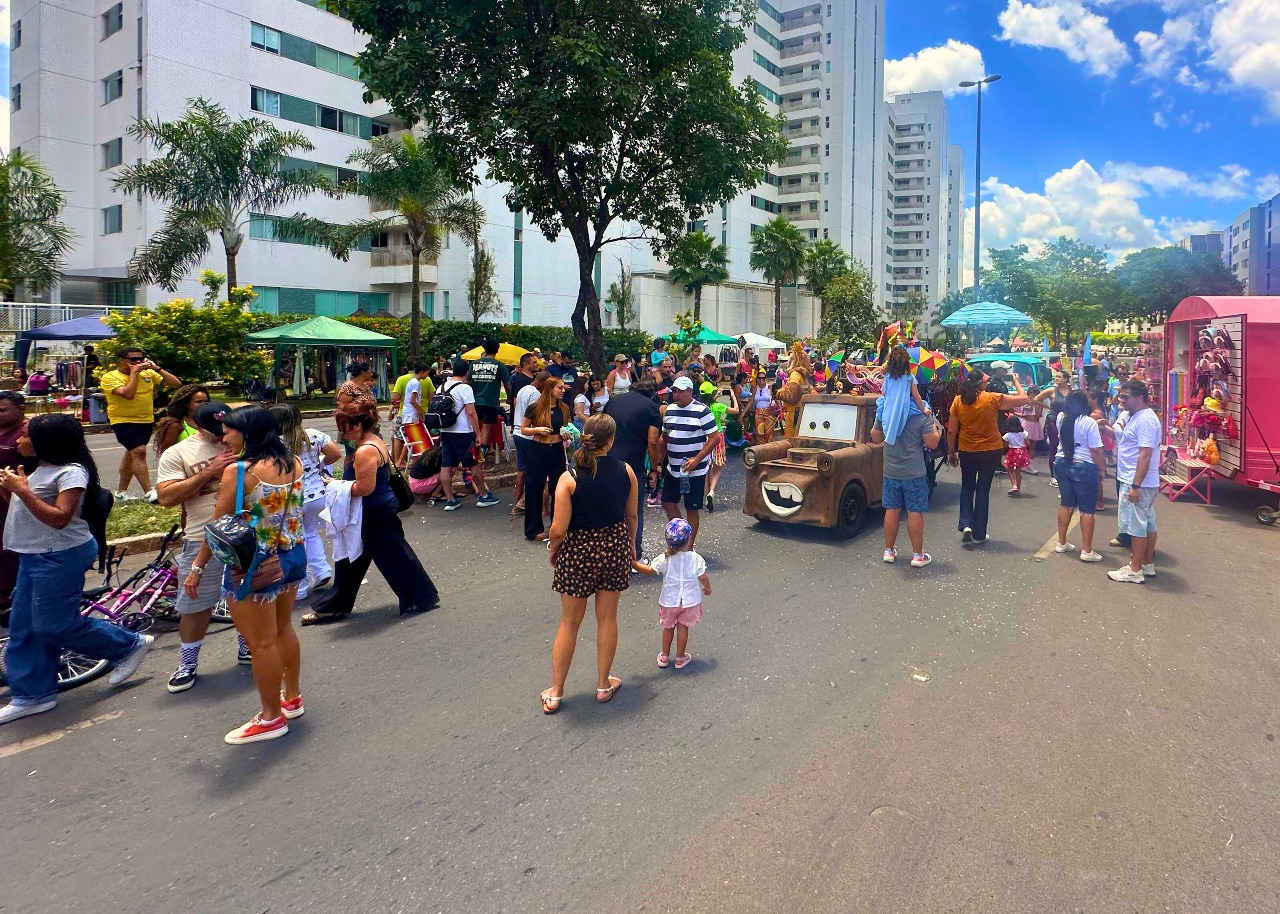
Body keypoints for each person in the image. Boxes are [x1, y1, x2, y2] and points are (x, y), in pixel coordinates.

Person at [0, 414, 154, 725]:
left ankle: (127, 644)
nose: (19, 440)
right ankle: (32, 695)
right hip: (33, 554)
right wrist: (12, 489)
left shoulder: (71, 472)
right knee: (24, 627)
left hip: (60, 555)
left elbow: (60, 518)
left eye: (26, 435)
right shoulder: (38, 468)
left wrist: (24, 491)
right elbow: (22, 508)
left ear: (46, 442)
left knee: (53, 625)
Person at [188, 406, 306, 745]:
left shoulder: (240, 472)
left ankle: (270, 718)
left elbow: (219, 527)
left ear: (249, 433)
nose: (224, 436)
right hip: (294, 555)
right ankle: (292, 697)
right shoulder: (292, 462)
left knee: (261, 643)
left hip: (256, 565)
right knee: (283, 629)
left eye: (230, 430)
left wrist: (197, 568)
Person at [303, 401, 441, 624]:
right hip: (375, 509)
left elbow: (364, 488)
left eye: (344, 426)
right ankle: (418, 597)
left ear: (356, 426)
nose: (341, 431)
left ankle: (419, 597)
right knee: (359, 559)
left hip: (372, 512)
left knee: (384, 558)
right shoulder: (372, 442)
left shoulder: (366, 451)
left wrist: (334, 485)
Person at [540, 414, 639, 714]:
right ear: (610, 440)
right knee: (607, 618)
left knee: (569, 622)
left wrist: (553, 548)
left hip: (578, 551)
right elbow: (631, 516)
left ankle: (556, 692)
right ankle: (602, 683)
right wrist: (631, 545)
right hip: (614, 546)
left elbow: (558, 528)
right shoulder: (627, 471)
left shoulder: (569, 478)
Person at [156, 401, 248, 693]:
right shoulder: (179, 453)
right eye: (216, 431)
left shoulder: (243, 440)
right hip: (201, 536)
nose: (222, 436)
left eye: (226, 429)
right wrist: (209, 472)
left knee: (247, 596)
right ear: (197, 426)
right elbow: (167, 497)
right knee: (195, 605)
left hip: (246, 533)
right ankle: (187, 662)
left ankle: (247, 646)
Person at [947, 372, 1030, 544]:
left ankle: (965, 523)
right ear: (981, 384)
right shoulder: (992, 398)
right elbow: (1024, 398)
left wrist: (950, 452)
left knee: (967, 486)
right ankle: (979, 534)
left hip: (967, 450)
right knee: (983, 490)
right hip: (990, 450)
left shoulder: (958, 400)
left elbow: (951, 430)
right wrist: (1016, 380)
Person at [270, 404, 342, 601]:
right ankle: (321, 570)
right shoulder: (312, 435)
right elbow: (335, 454)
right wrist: (318, 465)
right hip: (318, 494)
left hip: (292, 500)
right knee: (311, 533)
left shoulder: (273, 443)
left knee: (293, 542)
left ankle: (299, 586)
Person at [98, 346, 179, 500]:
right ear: (121, 361)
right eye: (133, 359)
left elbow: (175, 383)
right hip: (123, 420)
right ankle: (149, 492)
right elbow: (128, 394)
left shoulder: (148, 373)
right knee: (139, 451)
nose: (139, 362)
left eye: (141, 358)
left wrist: (157, 368)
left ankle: (121, 492)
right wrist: (134, 374)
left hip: (145, 420)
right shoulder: (110, 377)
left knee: (132, 454)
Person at [872, 395, 942, 568]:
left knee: (892, 509)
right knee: (914, 511)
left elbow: (875, 437)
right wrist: (935, 427)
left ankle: (889, 551)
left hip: (891, 470)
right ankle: (918, 556)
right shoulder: (921, 411)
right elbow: (932, 443)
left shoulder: (885, 408)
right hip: (914, 471)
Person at [634, 517, 711, 669]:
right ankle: (680, 658)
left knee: (668, 627)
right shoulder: (695, 559)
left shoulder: (665, 558)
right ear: (688, 540)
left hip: (669, 601)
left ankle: (664, 656)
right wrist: (708, 588)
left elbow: (648, 571)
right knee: (683, 627)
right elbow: (703, 577)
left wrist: (633, 563)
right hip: (689, 601)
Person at [659, 376, 722, 547]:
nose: (676, 394)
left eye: (679, 391)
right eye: (674, 391)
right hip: (673, 467)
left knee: (691, 508)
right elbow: (664, 437)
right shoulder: (669, 410)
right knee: (667, 502)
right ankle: (680, 534)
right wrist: (658, 463)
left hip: (695, 469)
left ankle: (688, 545)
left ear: (689, 392)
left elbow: (715, 438)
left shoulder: (702, 411)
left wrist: (697, 459)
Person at [604, 379, 663, 560]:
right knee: (633, 511)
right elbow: (653, 441)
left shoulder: (613, 401)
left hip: (607, 460)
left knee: (610, 508)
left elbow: (601, 426)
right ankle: (633, 556)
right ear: (653, 393)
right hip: (633, 464)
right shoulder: (651, 407)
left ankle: (610, 552)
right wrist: (654, 468)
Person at [1109, 380, 1161, 584]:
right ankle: (1146, 564)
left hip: (1139, 480)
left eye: (1125, 397)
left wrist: (1136, 485)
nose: (1121, 400)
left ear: (1139, 397)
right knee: (1147, 522)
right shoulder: (1138, 417)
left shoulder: (1145, 420)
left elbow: (1145, 454)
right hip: (1136, 478)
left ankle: (1135, 569)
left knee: (1137, 526)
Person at [1050, 390, 1106, 562]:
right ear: (1085, 404)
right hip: (1083, 465)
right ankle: (1087, 550)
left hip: (1061, 463)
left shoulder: (1061, 418)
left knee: (1066, 503)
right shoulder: (1089, 422)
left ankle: (1061, 542)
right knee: (1087, 509)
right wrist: (1102, 469)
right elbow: (1096, 450)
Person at [437, 361, 499, 511]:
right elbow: (471, 412)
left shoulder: (442, 386)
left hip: (445, 431)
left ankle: (450, 500)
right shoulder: (465, 388)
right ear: (466, 373)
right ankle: (483, 496)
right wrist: (478, 433)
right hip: (463, 432)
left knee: (446, 465)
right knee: (474, 463)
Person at [520, 375, 571, 541]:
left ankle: (557, 527)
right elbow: (524, 429)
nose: (563, 391)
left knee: (558, 489)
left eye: (563, 388)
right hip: (538, 448)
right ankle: (533, 530)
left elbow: (567, 426)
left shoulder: (563, 408)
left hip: (556, 448)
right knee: (534, 487)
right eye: (560, 388)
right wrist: (537, 430)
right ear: (550, 389)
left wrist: (567, 434)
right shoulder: (535, 407)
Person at [0, 391, 27, 624]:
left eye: (2, 410)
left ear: (21, 407)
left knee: (9, 553)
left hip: (13, 502)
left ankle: (10, 602)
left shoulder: (26, 435)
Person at [510, 370, 551, 517]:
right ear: (541, 382)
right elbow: (536, 416)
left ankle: (516, 505)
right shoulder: (535, 395)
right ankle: (524, 502)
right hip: (528, 435)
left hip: (517, 432)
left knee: (522, 470)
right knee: (535, 470)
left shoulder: (523, 389)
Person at [467, 339, 511, 460]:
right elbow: (507, 384)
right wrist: (509, 397)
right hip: (490, 402)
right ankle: (482, 456)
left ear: (484, 349)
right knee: (487, 428)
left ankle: (472, 454)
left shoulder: (474, 364)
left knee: (473, 427)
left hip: (474, 401)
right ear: (497, 350)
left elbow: (468, 382)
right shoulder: (500, 366)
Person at [699, 380, 737, 513]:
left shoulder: (701, 408)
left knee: (706, 469)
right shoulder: (718, 406)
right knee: (717, 468)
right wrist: (732, 396)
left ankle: (705, 496)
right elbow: (735, 410)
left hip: (704, 438)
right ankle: (711, 492)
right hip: (717, 437)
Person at [1035, 370, 1074, 488]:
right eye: (1056, 377)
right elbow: (1037, 399)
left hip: (1067, 421)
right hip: (1053, 419)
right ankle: (1053, 475)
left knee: (1068, 445)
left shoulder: (1072, 391)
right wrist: (1049, 406)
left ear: (1066, 379)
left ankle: (1067, 472)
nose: (1056, 379)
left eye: (1059, 377)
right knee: (1054, 446)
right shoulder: (1052, 390)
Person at [152, 383, 210, 456]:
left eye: (206, 401)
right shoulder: (175, 425)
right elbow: (166, 454)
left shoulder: (211, 420)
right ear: (186, 404)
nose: (203, 404)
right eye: (199, 402)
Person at [399, 362, 434, 464]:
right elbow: (412, 400)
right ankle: (401, 460)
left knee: (411, 437)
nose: (427, 376)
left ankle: (413, 460)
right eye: (426, 373)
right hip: (411, 412)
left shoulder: (412, 381)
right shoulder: (416, 383)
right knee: (411, 437)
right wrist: (420, 410)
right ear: (422, 372)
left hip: (410, 412)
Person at [388, 362, 416, 468]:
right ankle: (410, 460)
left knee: (399, 437)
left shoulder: (402, 379)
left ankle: (398, 461)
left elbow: (395, 396)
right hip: (420, 413)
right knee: (414, 437)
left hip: (404, 413)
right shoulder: (426, 379)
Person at [1002, 415, 1030, 497]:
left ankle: (1014, 485)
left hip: (1012, 452)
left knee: (1009, 469)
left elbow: (1005, 445)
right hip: (1021, 452)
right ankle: (1018, 488)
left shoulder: (1007, 435)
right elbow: (1028, 443)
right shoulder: (1024, 433)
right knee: (1018, 471)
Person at [1019, 387, 1045, 475]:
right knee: (1023, 445)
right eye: (1031, 394)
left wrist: (1036, 404)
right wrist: (1027, 405)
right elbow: (1023, 415)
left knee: (1032, 446)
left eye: (1034, 394)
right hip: (1026, 424)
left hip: (1035, 425)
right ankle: (1022, 463)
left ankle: (1029, 465)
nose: (1032, 396)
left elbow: (1038, 415)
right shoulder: (1026, 402)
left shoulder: (1040, 404)